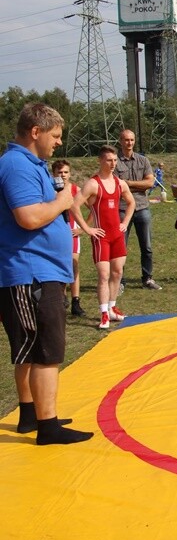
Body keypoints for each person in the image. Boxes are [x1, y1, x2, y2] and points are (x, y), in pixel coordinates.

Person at [0, 103, 93, 444]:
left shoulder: (28, 164)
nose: (58, 143)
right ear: (35, 132)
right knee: (45, 350)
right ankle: (48, 426)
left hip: (35, 271)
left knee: (29, 348)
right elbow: (27, 217)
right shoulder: (16, 165)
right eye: (54, 136)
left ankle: (31, 414)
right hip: (31, 273)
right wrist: (64, 200)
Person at [76, 146, 135, 331]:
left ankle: (111, 307)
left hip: (117, 235)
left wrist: (125, 222)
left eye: (115, 160)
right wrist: (87, 229)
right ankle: (103, 313)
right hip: (101, 236)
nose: (113, 164)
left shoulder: (120, 183)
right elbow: (74, 205)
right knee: (104, 275)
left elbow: (132, 202)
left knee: (117, 272)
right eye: (109, 160)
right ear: (100, 161)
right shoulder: (93, 184)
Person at [115, 129, 160, 291]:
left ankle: (147, 278)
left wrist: (126, 183)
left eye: (132, 140)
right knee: (121, 247)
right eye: (126, 140)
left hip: (142, 208)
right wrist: (137, 184)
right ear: (120, 141)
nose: (129, 143)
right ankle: (119, 281)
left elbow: (149, 183)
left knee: (146, 246)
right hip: (122, 210)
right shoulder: (115, 162)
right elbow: (115, 186)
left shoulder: (143, 160)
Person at [51, 161, 86, 317]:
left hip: (72, 234)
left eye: (65, 172)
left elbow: (95, 208)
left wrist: (83, 228)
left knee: (73, 265)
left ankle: (76, 302)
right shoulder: (50, 190)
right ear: (54, 174)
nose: (63, 175)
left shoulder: (76, 190)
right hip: (56, 235)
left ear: (70, 174)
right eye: (59, 173)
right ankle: (61, 297)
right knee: (59, 266)